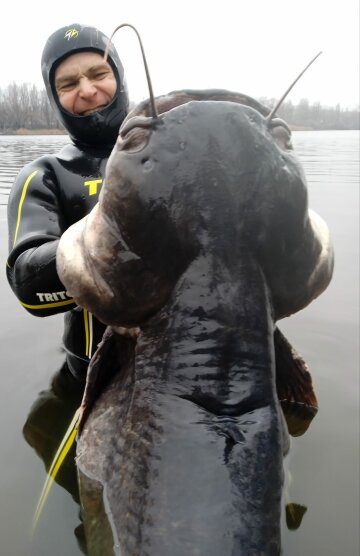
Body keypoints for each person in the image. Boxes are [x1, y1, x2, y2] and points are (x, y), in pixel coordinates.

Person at [6, 23, 129, 379]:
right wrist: (120, 240)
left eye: (99, 74)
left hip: (193, 361)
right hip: (94, 374)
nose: (88, 90)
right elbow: (28, 287)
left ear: (119, 78)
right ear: (54, 96)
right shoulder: (43, 174)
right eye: (69, 84)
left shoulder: (173, 151)